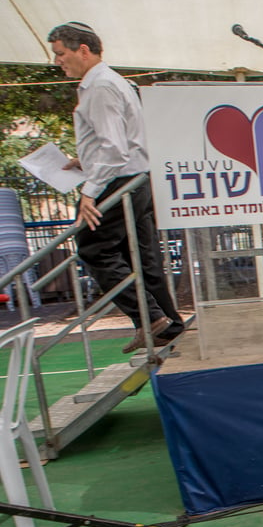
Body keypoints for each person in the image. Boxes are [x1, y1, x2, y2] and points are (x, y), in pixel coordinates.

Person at [48, 22, 183, 354]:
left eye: (61, 54)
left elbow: (114, 148)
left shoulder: (101, 87)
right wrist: (85, 160)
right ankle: (168, 323)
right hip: (135, 179)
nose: (57, 62)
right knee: (143, 257)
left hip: (119, 182)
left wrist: (89, 190)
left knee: (94, 248)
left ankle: (150, 318)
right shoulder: (111, 82)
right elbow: (119, 142)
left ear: (84, 50)